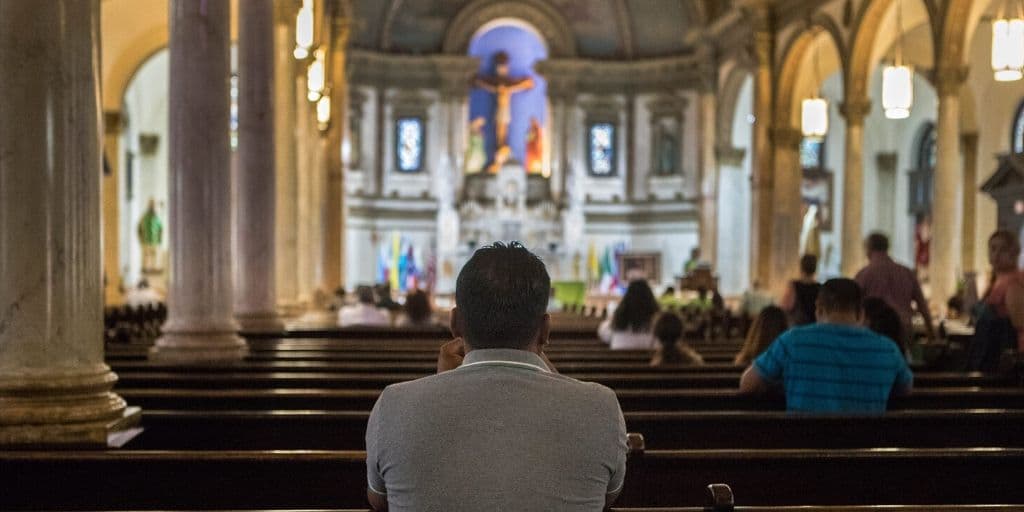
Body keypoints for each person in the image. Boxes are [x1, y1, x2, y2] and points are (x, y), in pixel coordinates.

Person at [366, 242, 627, 511]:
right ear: (545, 329)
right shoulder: (601, 406)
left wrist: (445, 384)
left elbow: (380, 501)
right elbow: (606, 495)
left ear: (455, 323)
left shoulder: (393, 404)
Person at [739, 278, 913, 413]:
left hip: (805, 451)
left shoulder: (792, 341)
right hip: (865, 453)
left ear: (819, 310)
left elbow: (747, 385)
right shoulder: (887, 349)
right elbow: (905, 391)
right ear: (860, 313)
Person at [855, 232, 936, 347]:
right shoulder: (906, 272)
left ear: (868, 249)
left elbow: (854, 304)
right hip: (903, 331)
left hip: (874, 331)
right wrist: (931, 335)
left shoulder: (864, 274)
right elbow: (922, 306)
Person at [965, 230, 1024, 371]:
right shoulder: (998, 281)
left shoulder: (1014, 282)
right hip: (988, 354)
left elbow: (1021, 327)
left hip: (1002, 360)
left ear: (1015, 252)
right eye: (993, 248)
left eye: (1003, 249)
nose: (996, 255)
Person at [598, 280, 660, 350]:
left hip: (619, 360)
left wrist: (611, 319)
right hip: (650, 360)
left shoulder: (618, 321)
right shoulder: (658, 321)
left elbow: (604, 334)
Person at [779, 254, 820, 326]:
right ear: (815, 268)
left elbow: (785, 307)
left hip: (797, 328)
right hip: (813, 327)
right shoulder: (820, 288)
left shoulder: (794, 286)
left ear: (801, 267)